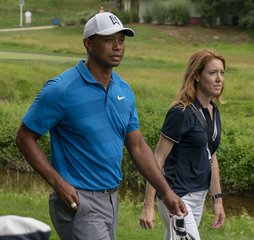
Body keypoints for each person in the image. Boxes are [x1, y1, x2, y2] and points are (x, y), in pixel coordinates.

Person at [15, 12, 187, 240]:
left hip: (111, 199)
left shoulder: (123, 90)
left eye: (121, 40)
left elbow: (137, 146)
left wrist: (165, 191)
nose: (117, 47)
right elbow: (24, 138)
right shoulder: (61, 90)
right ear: (88, 43)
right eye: (108, 40)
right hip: (79, 199)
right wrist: (58, 183)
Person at [139, 49, 226, 240]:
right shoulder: (181, 112)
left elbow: (211, 155)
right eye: (212, 73)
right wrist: (148, 205)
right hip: (177, 196)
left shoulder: (213, 110)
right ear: (196, 75)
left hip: (199, 196)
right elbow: (157, 159)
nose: (219, 78)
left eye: (221, 72)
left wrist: (217, 200)